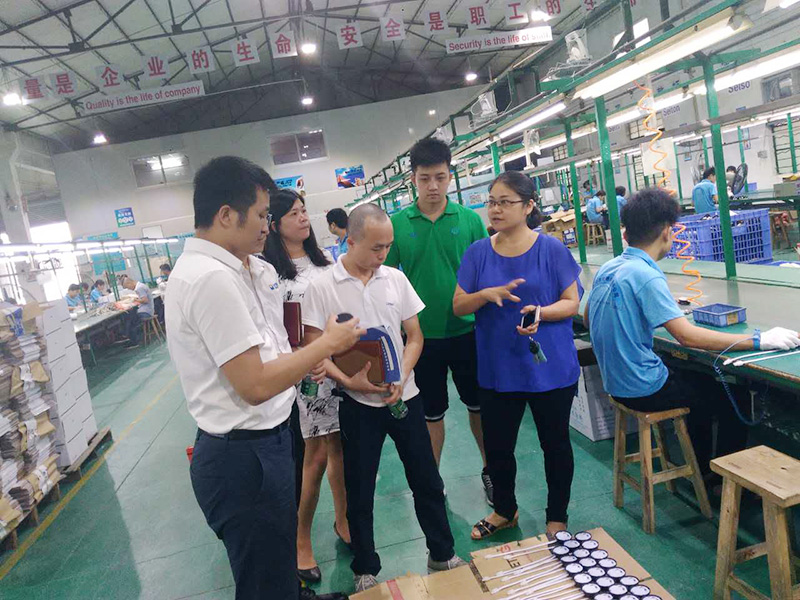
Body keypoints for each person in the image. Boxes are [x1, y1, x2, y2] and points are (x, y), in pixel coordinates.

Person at [165, 156, 361, 600]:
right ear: (226, 215)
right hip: (242, 457)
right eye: (260, 215)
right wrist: (325, 346)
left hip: (270, 439)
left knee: (276, 558)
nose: (267, 225)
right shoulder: (209, 280)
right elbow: (254, 385)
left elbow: (273, 346)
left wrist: (302, 357)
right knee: (262, 579)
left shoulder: (252, 269)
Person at [584, 188, 800, 484]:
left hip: (617, 384)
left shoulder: (609, 268)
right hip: (644, 388)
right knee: (732, 397)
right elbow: (688, 338)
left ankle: (701, 467)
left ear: (626, 233)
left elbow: (589, 318)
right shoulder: (646, 275)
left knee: (695, 381)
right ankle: (720, 481)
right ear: (666, 231)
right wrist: (759, 340)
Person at [302, 203, 465, 593]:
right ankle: (365, 567)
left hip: (403, 397)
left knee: (426, 479)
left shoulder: (395, 279)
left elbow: (415, 336)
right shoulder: (322, 287)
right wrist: (349, 381)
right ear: (351, 240)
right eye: (376, 247)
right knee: (359, 489)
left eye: (388, 246)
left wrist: (402, 374)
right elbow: (313, 348)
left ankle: (442, 552)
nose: (383, 255)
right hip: (357, 405)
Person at [453, 171, 582, 541]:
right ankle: (504, 510)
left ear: (528, 206)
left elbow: (571, 303)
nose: (495, 209)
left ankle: (557, 517)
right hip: (499, 368)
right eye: (491, 202)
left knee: (554, 445)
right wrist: (486, 295)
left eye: (505, 202)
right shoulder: (478, 253)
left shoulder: (551, 249)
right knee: (498, 448)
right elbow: (459, 306)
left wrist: (541, 312)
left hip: (550, 369)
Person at [384, 137, 492, 503]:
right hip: (421, 338)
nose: (433, 186)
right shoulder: (397, 225)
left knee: (479, 407)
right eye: (425, 178)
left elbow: (486, 273)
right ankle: (433, 482)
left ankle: (491, 470)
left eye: (440, 177)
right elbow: (385, 281)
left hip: (469, 331)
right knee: (431, 414)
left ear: (450, 176)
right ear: (412, 179)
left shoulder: (470, 221)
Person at [263, 189, 350, 585]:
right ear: (275, 224)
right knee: (315, 456)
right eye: (293, 213)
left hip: (338, 366)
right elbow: (275, 329)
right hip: (306, 373)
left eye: (304, 211)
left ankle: (343, 520)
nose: (303, 218)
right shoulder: (268, 273)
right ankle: (301, 540)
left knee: (341, 449)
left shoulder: (325, 262)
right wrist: (307, 357)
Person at [121, 276, 153, 348]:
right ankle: (129, 337)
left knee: (129, 319)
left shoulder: (139, 288)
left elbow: (145, 300)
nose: (129, 289)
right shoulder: (141, 285)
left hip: (145, 312)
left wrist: (134, 300)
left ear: (129, 283)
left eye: (128, 287)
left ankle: (133, 341)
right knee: (129, 316)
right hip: (148, 310)